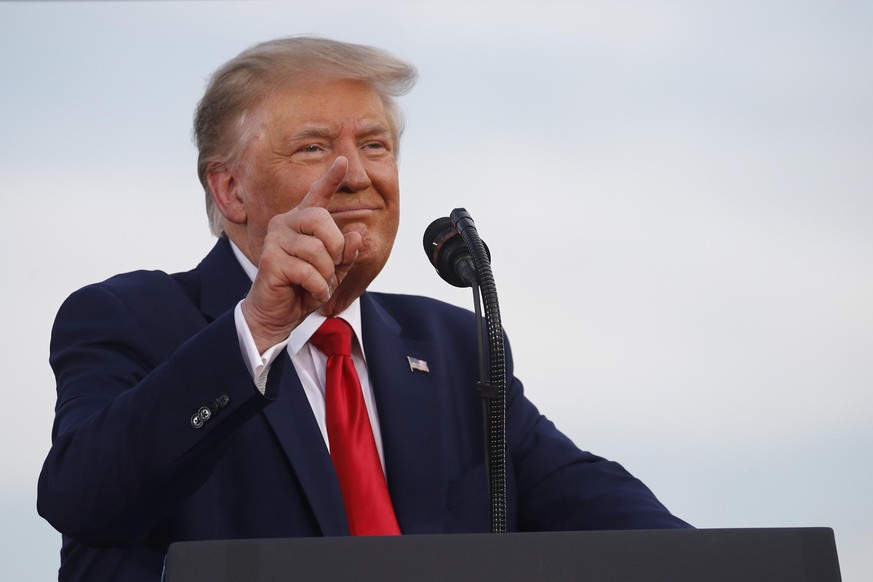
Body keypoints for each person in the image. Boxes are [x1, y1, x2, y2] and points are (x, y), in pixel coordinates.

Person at [37, 36, 690, 582]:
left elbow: (623, 526)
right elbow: (85, 501)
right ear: (230, 189)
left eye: (376, 146)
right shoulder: (127, 318)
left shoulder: (454, 346)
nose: (358, 174)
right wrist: (260, 329)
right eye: (315, 147)